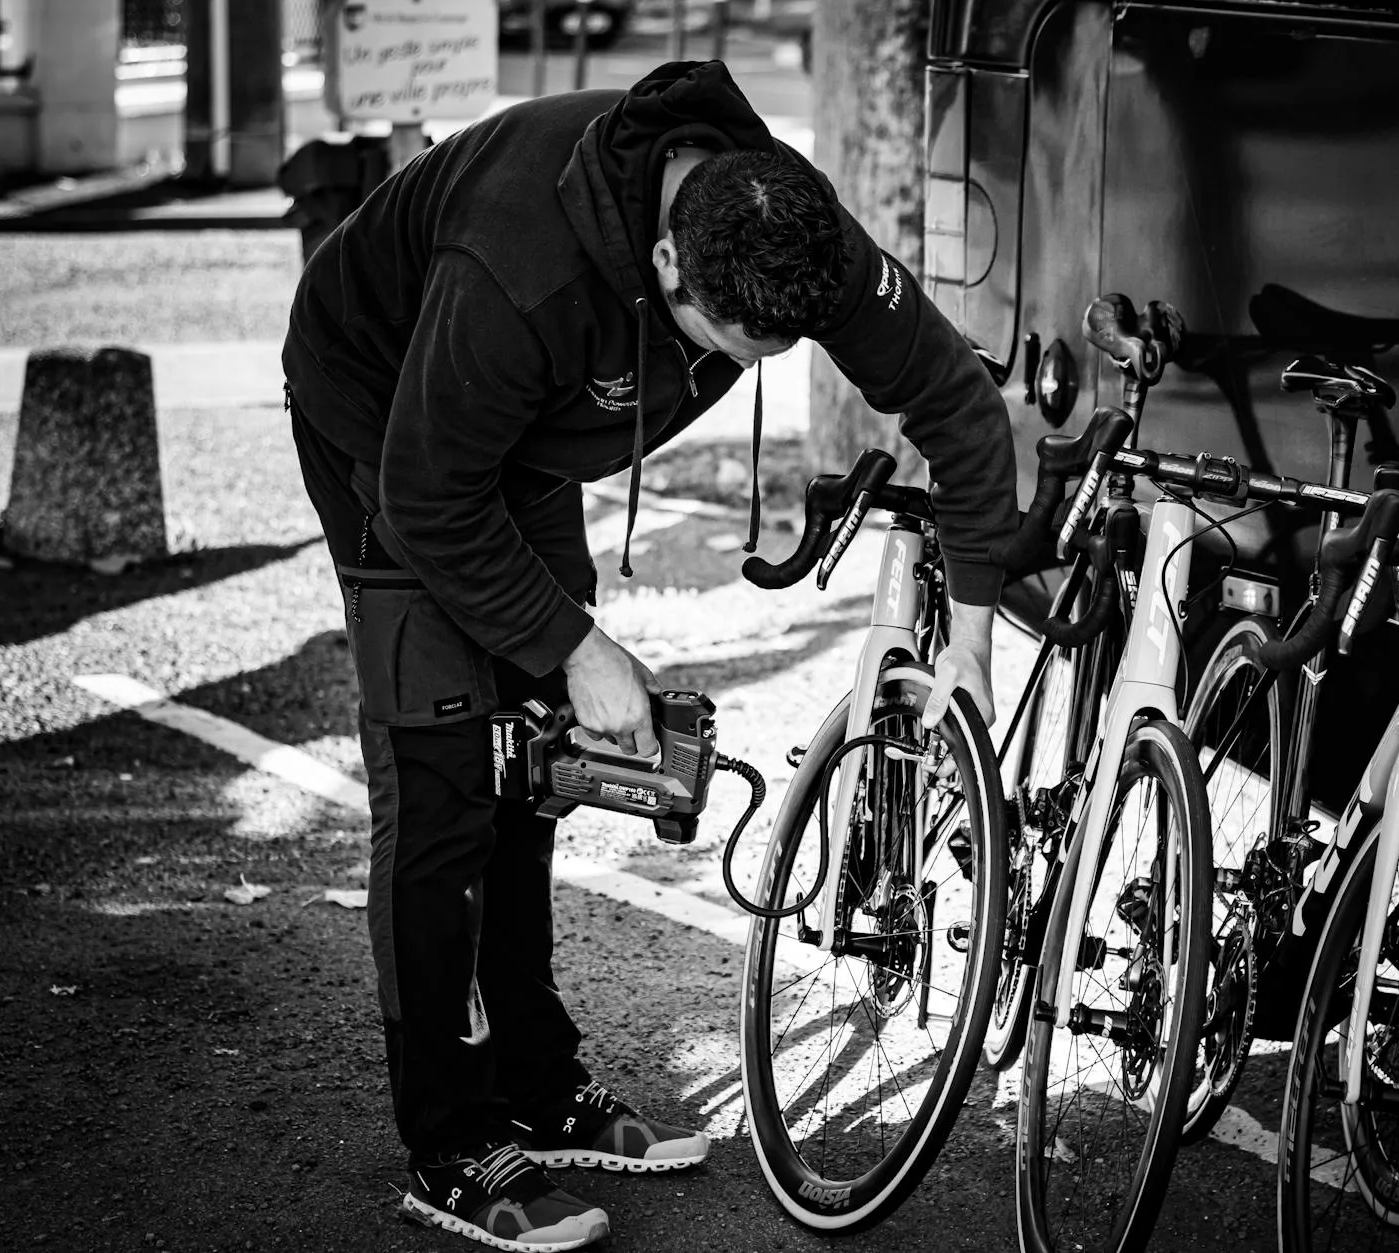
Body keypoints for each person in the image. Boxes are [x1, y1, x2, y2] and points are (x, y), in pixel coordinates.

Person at [282, 60, 1018, 1251]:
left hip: (517, 444)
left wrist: (974, 638)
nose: (754, 365)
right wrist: (577, 643)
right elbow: (428, 490)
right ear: (668, 264)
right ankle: (453, 1142)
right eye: (733, 346)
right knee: (443, 774)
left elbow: (961, 412)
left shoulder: (782, 224)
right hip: (386, 418)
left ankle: (531, 1078)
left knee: (533, 764)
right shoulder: (518, 265)